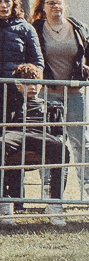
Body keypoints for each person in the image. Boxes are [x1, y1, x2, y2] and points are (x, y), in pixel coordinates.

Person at [30, 0, 89, 201]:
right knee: (49, 140)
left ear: (64, 5)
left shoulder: (78, 27)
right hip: (48, 94)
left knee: (81, 140)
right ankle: (49, 187)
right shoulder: (37, 28)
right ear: (43, 6)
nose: (55, 7)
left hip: (76, 93)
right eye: (51, 3)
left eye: (59, 3)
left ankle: (88, 188)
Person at [0, 63, 68, 226]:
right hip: (15, 133)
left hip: (41, 135)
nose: (32, 87)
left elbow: (60, 132)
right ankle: (3, 201)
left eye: (36, 82)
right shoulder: (10, 104)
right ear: (18, 85)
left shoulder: (51, 106)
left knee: (62, 149)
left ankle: (55, 202)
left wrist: (59, 138)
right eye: (27, 83)